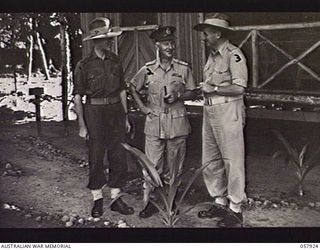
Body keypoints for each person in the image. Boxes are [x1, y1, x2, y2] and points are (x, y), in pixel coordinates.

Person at [130, 26, 196, 218]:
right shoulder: (147, 69)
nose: (170, 46)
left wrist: (178, 95)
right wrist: (143, 108)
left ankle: (172, 201)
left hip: (177, 122)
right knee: (152, 165)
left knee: (175, 166)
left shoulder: (183, 68)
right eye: (166, 43)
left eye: (172, 43)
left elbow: (192, 91)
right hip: (154, 122)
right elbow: (133, 87)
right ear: (157, 45)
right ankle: (150, 202)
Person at [73, 17, 134, 218]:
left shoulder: (115, 60)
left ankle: (116, 199)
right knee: (96, 157)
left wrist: (125, 117)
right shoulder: (83, 65)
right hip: (94, 113)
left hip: (115, 111)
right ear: (94, 41)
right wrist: (82, 124)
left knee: (118, 155)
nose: (107, 42)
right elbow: (78, 96)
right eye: (103, 38)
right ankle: (97, 199)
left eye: (108, 38)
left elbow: (122, 90)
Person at [193, 13, 248, 227]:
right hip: (210, 112)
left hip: (227, 112)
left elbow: (239, 88)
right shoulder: (213, 56)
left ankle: (235, 209)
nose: (204, 37)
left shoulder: (234, 55)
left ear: (218, 33)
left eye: (206, 33)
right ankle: (219, 201)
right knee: (211, 160)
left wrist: (214, 88)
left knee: (232, 161)